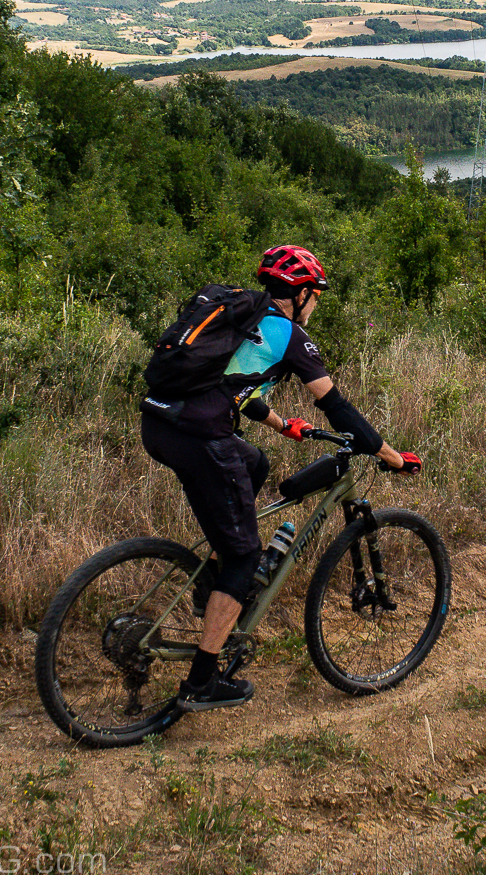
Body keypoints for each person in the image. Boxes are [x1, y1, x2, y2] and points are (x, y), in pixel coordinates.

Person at [138, 244, 416, 711]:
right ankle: (202, 681)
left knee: (255, 463)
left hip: (159, 424)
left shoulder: (241, 316)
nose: (316, 305)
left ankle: (216, 584)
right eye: (316, 296)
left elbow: (233, 387)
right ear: (302, 294)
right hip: (200, 438)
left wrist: (283, 424)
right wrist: (391, 456)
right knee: (244, 557)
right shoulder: (288, 333)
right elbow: (336, 406)